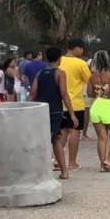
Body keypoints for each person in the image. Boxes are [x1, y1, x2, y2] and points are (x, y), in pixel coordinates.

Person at [30, 47, 78, 180]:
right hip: (55, 111)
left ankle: (40, 171)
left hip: (40, 110)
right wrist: (72, 114)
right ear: (59, 59)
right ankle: (64, 171)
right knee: (56, 140)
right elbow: (64, 93)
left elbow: (33, 93)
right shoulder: (60, 73)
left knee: (41, 140)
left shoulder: (40, 73)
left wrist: (29, 108)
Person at [87, 50, 110, 172]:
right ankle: (109, 160)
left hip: (97, 105)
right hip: (109, 105)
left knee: (102, 138)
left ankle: (102, 164)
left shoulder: (92, 77)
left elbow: (90, 93)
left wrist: (99, 90)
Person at [58, 39, 91, 170]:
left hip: (60, 101)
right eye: (81, 49)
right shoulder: (80, 63)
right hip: (76, 103)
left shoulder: (59, 60)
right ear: (76, 48)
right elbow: (89, 79)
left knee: (62, 132)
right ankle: (72, 162)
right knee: (75, 131)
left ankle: (58, 160)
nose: (82, 51)